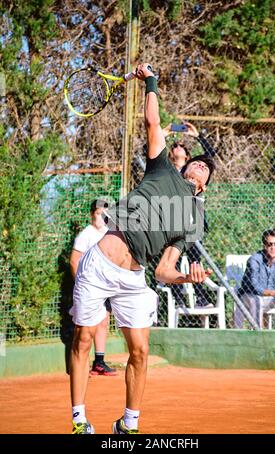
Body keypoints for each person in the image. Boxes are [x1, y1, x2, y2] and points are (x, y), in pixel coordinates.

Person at [69, 63, 215, 435]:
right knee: (83, 338)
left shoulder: (192, 220)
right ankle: (78, 420)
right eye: (195, 163)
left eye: (203, 170)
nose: (197, 166)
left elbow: (164, 270)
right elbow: (153, 123)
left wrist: (185, 277)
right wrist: (150, 79)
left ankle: (129, 424)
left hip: (134, 278)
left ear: (203, 188)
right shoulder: (162, 168)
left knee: (140, 351)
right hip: (100, 263)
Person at [165, 122, 217, 309]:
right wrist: (164, 132)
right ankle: (178, 300)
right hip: (174, 223)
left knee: (196, 260)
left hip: (193, 223)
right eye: (175, 147)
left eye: (182, 147)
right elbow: (151, 151)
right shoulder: (170, 173)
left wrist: (198, 137)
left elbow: (210, 159)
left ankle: (201, 298)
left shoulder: (198, 173)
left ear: (187, 157)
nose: (178, 148)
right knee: (174, 260)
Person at [70, 199, 117, 377]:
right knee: (83, 328)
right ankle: (78, 364)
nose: (101, 218)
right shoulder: (85, 235)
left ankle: (99, 362)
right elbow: (74, 261)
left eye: (105, 215)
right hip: (89, 287)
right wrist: (80, 284)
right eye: (98, 214)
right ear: (92, 214)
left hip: (105, 285)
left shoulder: (108, 233)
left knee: (103, 322)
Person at [235, 228, 275, 329]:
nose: (273, 247)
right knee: (256, 300)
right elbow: (254, 287)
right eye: (269, 244)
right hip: (249, 297)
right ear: (264, 245)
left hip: (272, 298)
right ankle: (258, 335)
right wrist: (274, 293)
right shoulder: (255, 260)